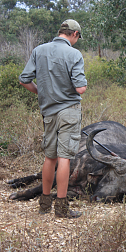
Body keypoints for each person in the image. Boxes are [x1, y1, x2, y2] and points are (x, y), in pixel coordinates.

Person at [19, 19, 87, 219]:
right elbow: (80, 88)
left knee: (50, 157)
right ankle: (62, 207)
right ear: (74, 34)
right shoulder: (74, 54)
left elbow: (24, 79)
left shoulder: (39, 50)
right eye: (77, 37)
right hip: (69, 110)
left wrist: (41, 91)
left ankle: (44, 204)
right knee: (64, 157)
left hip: (48, 111)